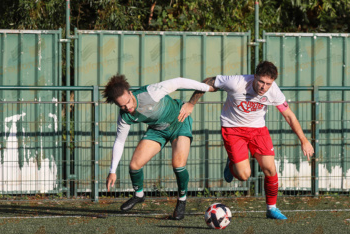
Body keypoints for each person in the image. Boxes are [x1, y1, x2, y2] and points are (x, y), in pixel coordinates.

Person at [179, 61, 314, 220]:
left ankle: (271, 208)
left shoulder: (274, 91)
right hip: (233, 129)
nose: (264, 87)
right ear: (254, 77)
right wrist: (191, 103)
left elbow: (289, 116)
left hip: (258, 131)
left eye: (268, 84)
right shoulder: (237, 82)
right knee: (244, 175)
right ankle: (232, 164)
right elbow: (209, 81)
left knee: (270, 169)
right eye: (261, 82)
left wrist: (304, 140)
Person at [103, 74, 214, 220]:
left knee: (178, 164)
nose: (128, 107)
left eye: (128, 102)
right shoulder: (124, 117)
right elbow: (119, 141)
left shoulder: (151, 92)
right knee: (134, 165)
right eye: (122, 106)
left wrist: (208, 88)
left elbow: (178, 81)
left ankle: (181, 200)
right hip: (158, 130)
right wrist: (112, 170)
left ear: (130, 93)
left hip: (179, 121)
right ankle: (139, 195)